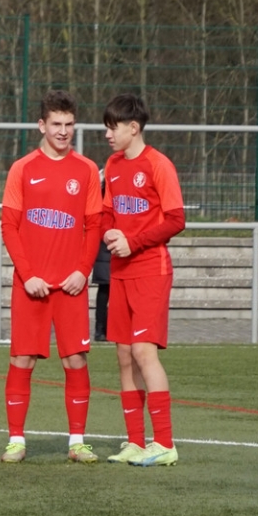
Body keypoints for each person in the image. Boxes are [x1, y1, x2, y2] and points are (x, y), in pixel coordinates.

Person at [0, 92, 104, 464]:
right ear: (42, 126)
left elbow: (94, 225)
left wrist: (82, 270)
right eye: (56, 125)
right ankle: (16, 440)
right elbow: (9, 227)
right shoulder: (22, 168)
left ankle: (77, 441)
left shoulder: (87, 169)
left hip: (70, 285)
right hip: (31, 286)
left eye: (69, 125)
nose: (63, 132)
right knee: (22, 359)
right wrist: (27, 276)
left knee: (75, 360)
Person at [98, 93, 186, 466]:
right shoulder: (113, 165)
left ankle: (164, 443)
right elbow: (105, 213)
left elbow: (176, 219)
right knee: (122, 355)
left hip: (151, 270)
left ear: (133, 128)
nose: (107, 134)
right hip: (120, 273)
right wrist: (108, 235)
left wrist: (132, 241)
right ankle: (135, 441)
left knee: (143, 352)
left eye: (112, 127)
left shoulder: (158, 165)